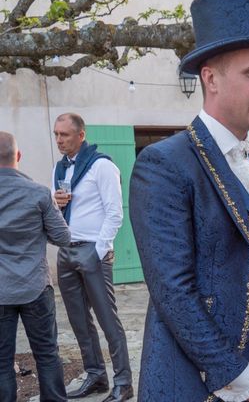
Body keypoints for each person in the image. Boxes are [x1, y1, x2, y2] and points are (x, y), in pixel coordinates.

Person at [129, 0, 249, 402]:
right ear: (211, 79)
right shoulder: (164, 163)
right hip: (188, 384)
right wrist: (241, 379)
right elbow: (173, 291)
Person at [52, 113, 133, 402]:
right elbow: (58, 211)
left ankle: (123, 382)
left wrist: (98, 251)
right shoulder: (58, 168)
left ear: (81, 135)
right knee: (79, 321)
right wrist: (55, 202)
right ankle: (96, 376)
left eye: (65, 135)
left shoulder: (102, 166)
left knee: (107, 319)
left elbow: (115, 213)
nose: (59, 140)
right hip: (66, 250)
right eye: (56, 134)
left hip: (93, 252)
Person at [0, 132, 70, 402]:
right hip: (35, 287)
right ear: (18, 156)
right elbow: (63, 237)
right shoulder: (39, 193)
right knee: (47, 355)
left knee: (2, 361)